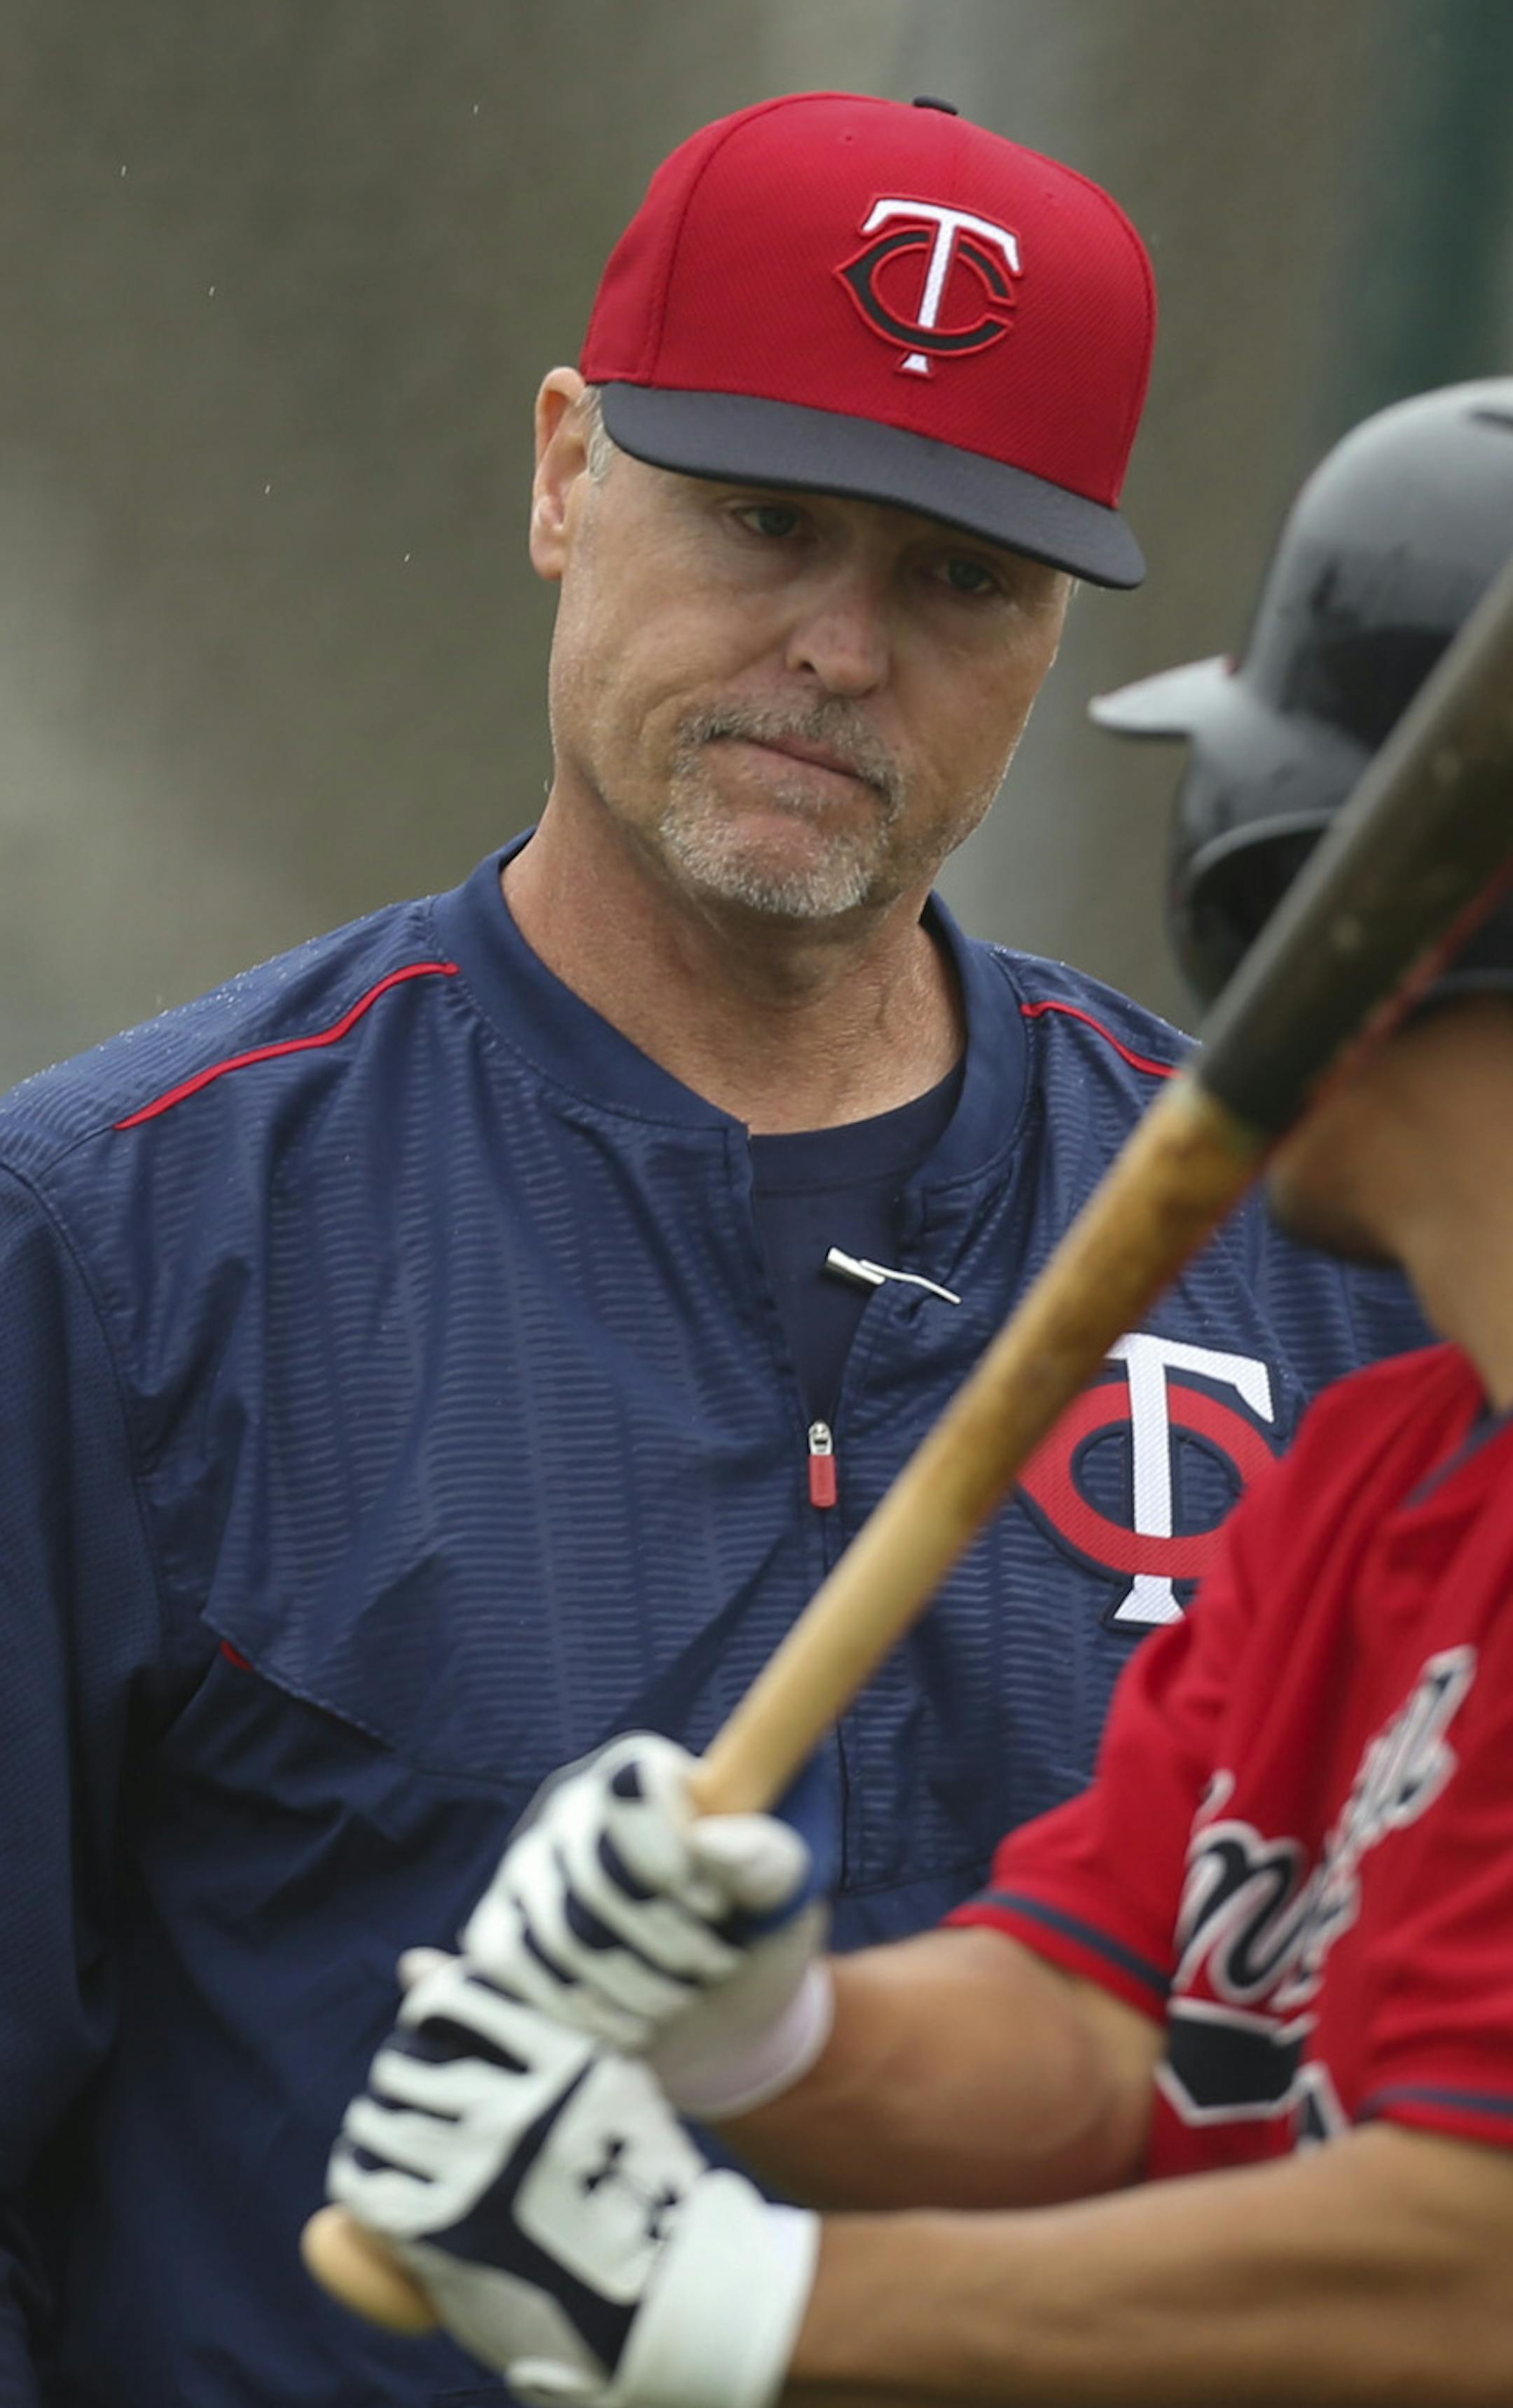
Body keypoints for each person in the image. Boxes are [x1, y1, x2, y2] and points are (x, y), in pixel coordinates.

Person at [0, 94, 1423, 2406]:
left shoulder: (1311, 1269)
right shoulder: (119, 1235)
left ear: (1059, 625)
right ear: (565, 470)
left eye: (961, 574)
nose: (843, 647)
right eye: (764, 519)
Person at [324, 378, 1513, 2404]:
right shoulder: (1382, 1473)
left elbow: (1478, 2271)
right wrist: (764, 2035)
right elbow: (1098, 2033)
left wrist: (731, 2312)